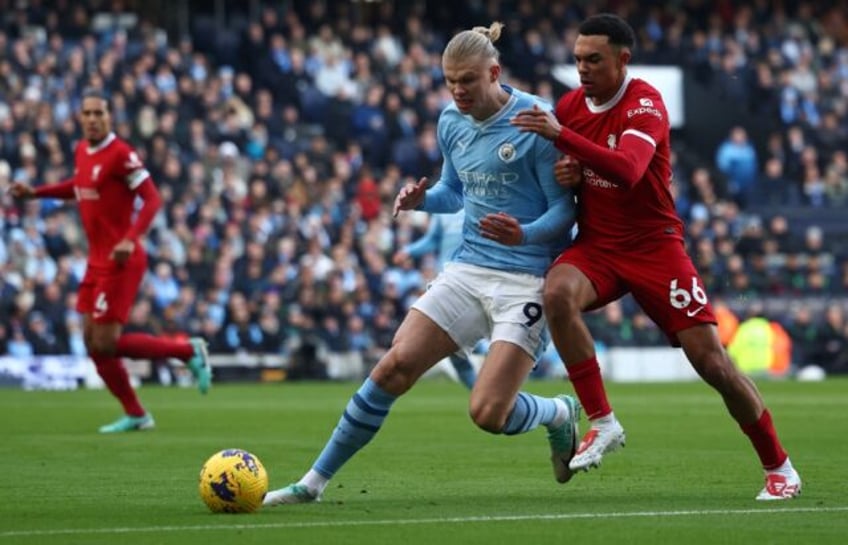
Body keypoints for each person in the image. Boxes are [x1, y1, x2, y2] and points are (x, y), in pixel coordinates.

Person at [264, 22, 579, 506]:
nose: (458, 90)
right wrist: (421, 201)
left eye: (468, 80)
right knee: (394, 366)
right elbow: (455, 191)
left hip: (525, 278)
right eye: (450, 81)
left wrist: (525, 233)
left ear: (494, 72)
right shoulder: (450, 120)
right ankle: (312, 484)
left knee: (489, 413)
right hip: (468, 266)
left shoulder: (535, 120)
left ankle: (557, 413)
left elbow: (565, 210)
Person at [510, 13, 801, 501]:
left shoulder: (645, 103)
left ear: (623, 60)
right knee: (557, 293)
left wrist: (562, 138)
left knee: (713, 363)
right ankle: (602, 421)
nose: (582, 69)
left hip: (654, 247)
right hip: (599, 245)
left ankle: (780, 466)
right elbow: (579, 167)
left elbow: (627, 169)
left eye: (594, 60)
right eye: (578, 59)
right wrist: (570, 174)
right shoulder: (571, 106)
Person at [9, 88, 212, 433]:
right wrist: (36, 193)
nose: (92, 119)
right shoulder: (82, 151)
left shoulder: (121, 154)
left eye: (98, 113)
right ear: (80, 118)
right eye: (86, 113)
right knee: (93, 343)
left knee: (106, 342)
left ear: (109, 117)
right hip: (96, 260)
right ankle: (136, 413)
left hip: (123, 259)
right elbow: (79, 186)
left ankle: (187, 351)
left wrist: (130, 239)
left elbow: (152, 199)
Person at [392, 210, 477, 389]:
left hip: (473, 280)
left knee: (461, 342)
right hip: (445, 281)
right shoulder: (445, 210)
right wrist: (408, 251)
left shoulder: (481, 201)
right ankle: (484, 395)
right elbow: (432, 240)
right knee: (455, 350)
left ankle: (491, 392)